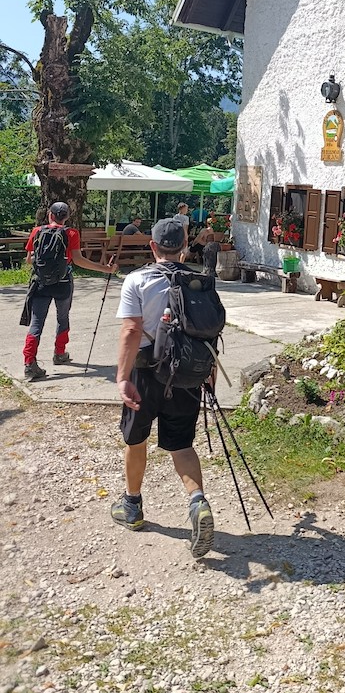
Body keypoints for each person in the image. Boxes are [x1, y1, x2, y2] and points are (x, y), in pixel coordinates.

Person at [112, 216, 215, 557]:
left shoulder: (137, 280)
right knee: (181, 445)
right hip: (186, 373)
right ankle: (198, 502)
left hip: (145, 373)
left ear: (152, 246)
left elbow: (131, 331)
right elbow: (210, 332)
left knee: (136, 439)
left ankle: (132, 506)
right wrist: (208, 374)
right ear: (185, 247)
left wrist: (122, 377)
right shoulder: (200, 282)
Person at [22, 201, 118, 382]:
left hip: (40, 283)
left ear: (50, 215)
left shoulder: (36, 231)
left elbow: (28, 260)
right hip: (63, 283)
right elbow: (78, 260)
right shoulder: (71, 233)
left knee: (36, 323)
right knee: (63, 317)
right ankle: (59, 353)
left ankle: (29, 363)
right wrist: (105, 269)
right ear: (67, 217)